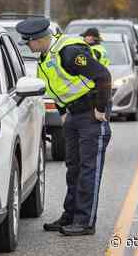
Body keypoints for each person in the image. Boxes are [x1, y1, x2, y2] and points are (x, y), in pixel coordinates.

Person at [16, 18, 112, 236]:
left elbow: (103, 76)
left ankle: (85, 222)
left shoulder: (68, 53)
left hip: (91, 115)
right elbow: (57, 88)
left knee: (89, 170)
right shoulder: (45, 56)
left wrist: (99, 109)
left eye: (29, 42)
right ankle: (69, 216)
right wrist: (63, 114)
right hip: (74, 116)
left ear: (39, 40)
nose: (28, 47)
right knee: (73, 169)